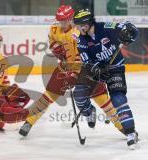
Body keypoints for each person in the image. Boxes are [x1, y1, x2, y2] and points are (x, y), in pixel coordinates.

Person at [19, 5, 124, 137]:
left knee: (102, 99)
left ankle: (123, 127)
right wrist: (55, 48)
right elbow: (52, 41)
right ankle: (29, 121)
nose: (61, 23)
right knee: (49, 95)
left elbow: (85, 55)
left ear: (71, 19)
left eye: (64, 20)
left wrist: (74, 72)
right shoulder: (54, 28)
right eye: (60, 20)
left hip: (86, 69)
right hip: (65, 67)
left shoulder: (80, 31)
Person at [73, 9, 139, 149]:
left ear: (86, 24)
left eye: (79, 25)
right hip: (96, 70)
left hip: (115, 68)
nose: (77, 28)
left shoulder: (106, 27)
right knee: (78, 94)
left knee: (118, 99)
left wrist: (130, 34)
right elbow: (87, 62)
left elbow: (129, 28)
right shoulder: (81, 41)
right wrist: (96, 69)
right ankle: (89, 112)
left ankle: (130, 132)